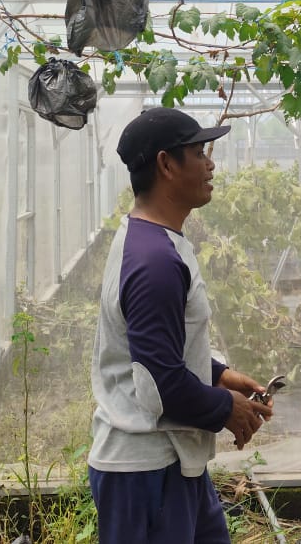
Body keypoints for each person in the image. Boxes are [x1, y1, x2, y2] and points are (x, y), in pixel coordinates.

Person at [88, 106, 274, 544]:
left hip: (172, 459)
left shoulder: (155, 240)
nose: (210, 165)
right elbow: (159, 384)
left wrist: (217, 374)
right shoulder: (154, 261)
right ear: (166, 165)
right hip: (145, 471)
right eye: (198, 153)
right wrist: (227, 408)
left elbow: (157, 348)